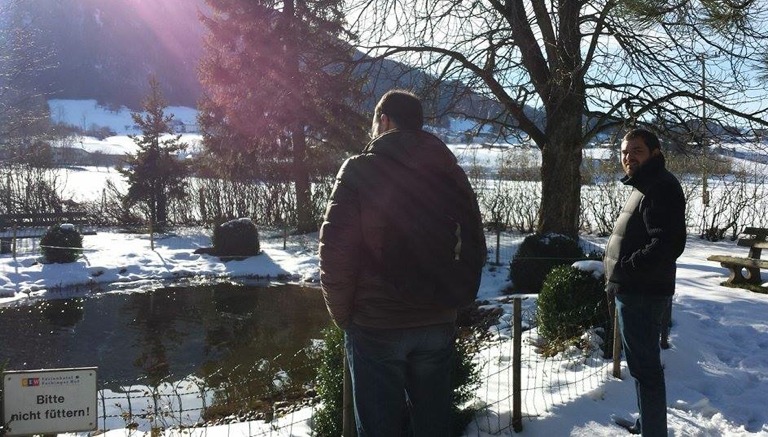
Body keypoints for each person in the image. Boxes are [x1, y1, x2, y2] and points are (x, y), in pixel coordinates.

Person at [319, 89, 485, 436]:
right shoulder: (449, 171)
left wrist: (344, 318)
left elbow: (336, 252)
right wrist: (456, 301)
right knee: (433, 427)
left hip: (377, 322)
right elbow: (473, 240)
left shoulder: (359, 170)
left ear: (384, 121)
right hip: (437, 318)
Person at [604, 128, 687, 436]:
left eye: (636, 151)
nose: (628, 157)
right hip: (636, 290)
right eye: (624, 152)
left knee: (645, 369)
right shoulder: (647, 183)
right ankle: (647, 423)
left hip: (642, 292)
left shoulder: (659, 186)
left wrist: (627, 268)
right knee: (641, 367)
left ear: (655, 152)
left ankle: (653, 431)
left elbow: (667, 244)